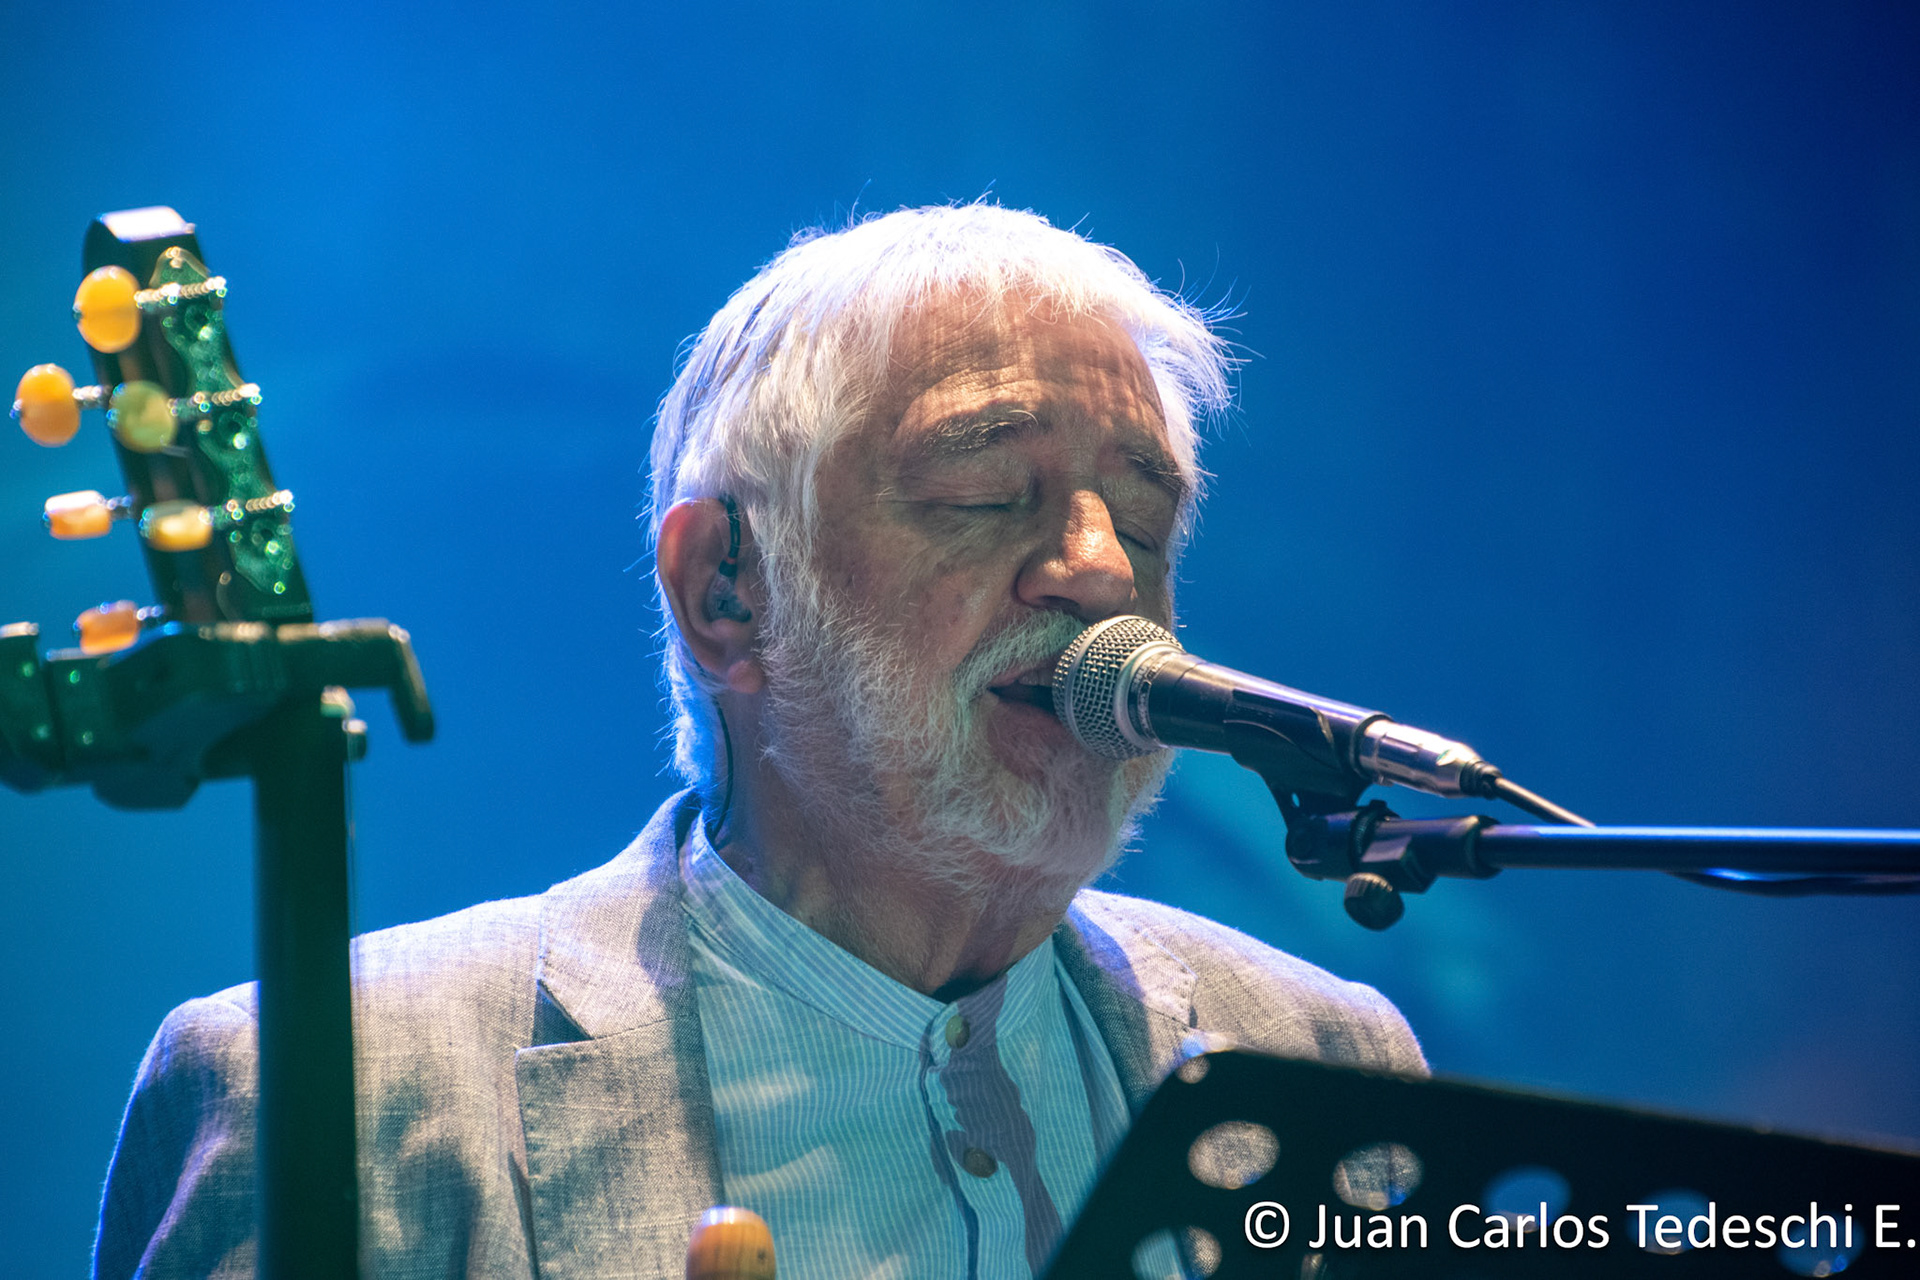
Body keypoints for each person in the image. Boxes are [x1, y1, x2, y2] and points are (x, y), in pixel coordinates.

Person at [93, 204, 1424, 1280]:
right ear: (724, 589)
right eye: (982, 494)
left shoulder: (1325, 1063)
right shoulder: (332, 1093)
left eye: (1142, 523)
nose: (1098, 572)